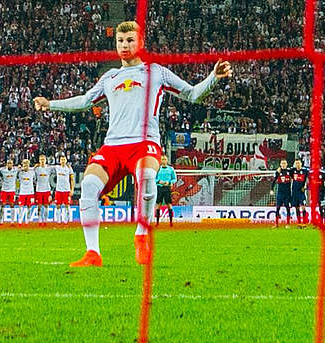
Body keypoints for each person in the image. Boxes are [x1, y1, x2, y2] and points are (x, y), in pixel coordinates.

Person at [34, 20, 230, 266]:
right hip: (113, 145)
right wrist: (50, 104)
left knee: (147, 177)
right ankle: (92, 253)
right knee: (89, 186)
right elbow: (85, 101)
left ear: (141, 42)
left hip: (144, 143)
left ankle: (141, 235)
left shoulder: (156, 72)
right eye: (120, 41)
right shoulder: (110, 77)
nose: (124, 45)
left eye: (129, 40)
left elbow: (192, 94)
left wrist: (213, 77)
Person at [52, 155, 75, 223]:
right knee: (58, 205)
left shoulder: (69, 168)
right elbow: (47, 167)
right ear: (59, 161)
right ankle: (58, 220)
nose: (63, 161)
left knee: (67, 205)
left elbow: (72, 179)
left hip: (66, 190)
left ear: (66, 160)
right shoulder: (57, 167)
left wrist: (72, 189)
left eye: (64, 159)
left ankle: (66, 220)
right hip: (58, 190)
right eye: (61, 160)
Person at [155, 160, 177, 226]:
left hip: (167, 188)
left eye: (165, 159)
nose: (164, 161)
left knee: (169, 204)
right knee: (158, 204)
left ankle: (171, 222)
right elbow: (154, 178)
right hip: (160, 188)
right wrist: (159, 181)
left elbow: (174, 179)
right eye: (162, 159)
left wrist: (169, 182)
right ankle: (157, 222)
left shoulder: (171, 169)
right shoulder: (158, 169)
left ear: (167, 161)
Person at [273, 158, 293, 226]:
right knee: (278, 207)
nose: (283, 165)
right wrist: (271, 189)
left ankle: (288, 223)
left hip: (287, 193)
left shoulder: (289, 171)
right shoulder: (278, 172)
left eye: (285, 163)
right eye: (282, 163)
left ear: (287, 164)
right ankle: (276, 223)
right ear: (280, 164)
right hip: (280, 193)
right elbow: (274, 181)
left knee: (287, 207)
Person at [16, 158, 36, 222]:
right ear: (22, 164)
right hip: (22, 192)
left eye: (27, 163)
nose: (25, 165)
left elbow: (34, 180)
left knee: (29, 207)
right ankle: (20, 220)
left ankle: (28, 220)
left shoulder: (32, 172)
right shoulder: (19, 172)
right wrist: (18, 168)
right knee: (21, 207)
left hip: (30, 192)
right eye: (24, 163)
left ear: (29, 164)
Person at [33, 154, 53, 220]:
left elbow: (57, 168)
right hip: (39, 190)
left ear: (45, 160)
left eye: (43, 159)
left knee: (46, 205)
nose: (42, 161)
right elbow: (29, 171)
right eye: (41, 159)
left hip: (47, 189)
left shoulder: (49, 168)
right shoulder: (36, 169)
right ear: (39, 160)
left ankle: (45, 220)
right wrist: (34, 167)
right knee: (39, 206)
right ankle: (39, 220)